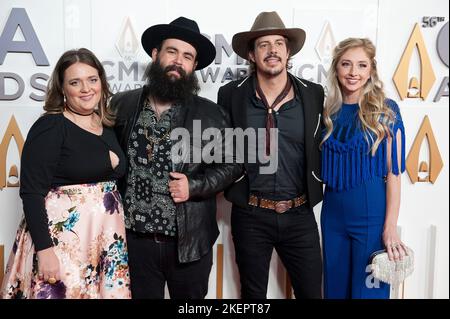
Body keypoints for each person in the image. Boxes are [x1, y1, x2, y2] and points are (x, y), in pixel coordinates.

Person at [110, 16, 242, 299]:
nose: (178, 61)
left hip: (189, 243)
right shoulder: (122, 105)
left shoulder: (211, 114)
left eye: (187, 56)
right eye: (172, 51)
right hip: (135, 242)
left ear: (194, 66)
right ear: (156, 54)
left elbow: (234, 164)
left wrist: (194, 186)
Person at [0, 48, 131, 299]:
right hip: (62, 243)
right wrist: (45, 250)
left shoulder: (106, 124)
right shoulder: (51, 126)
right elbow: (31, 192)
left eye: (92, 80)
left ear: (102, 83)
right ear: (62, 89)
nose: (86, 88)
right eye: (75, 82)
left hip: (101, 243)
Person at [217, 11, 324, 299]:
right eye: (263, 44)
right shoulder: (230, 94)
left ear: (289, 52)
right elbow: (222, 149)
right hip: (250, 214)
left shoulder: (314, 94)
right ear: (251, 55)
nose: (272, 50)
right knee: (252, 297)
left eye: (279, 43)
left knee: (313, 293)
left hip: (300, 213)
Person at [320, 38, 407, 299]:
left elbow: (394, 174)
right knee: (334, 290)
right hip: (332, 216)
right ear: (336, 68)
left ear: (371, 70)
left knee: (368, 293)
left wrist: (390, 226)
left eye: (361, 65)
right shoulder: (326, 112)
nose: (353, 72)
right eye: (346, 64)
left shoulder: (387, 111)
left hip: (371, 217)